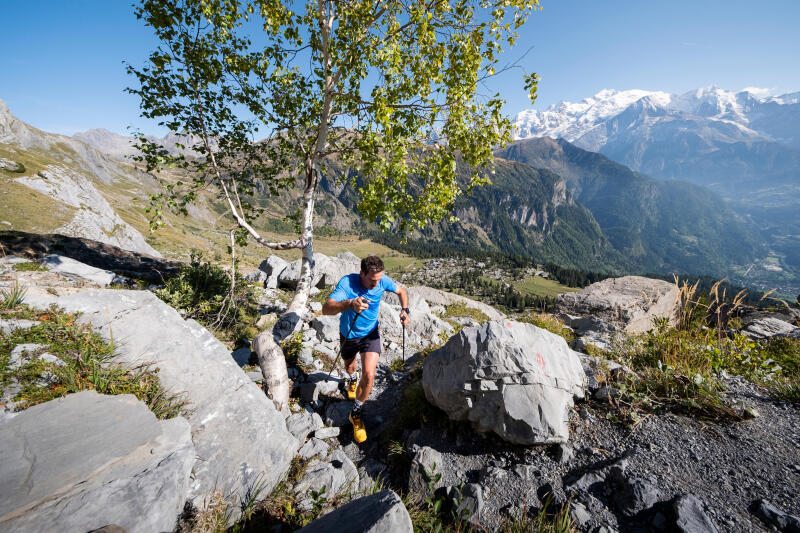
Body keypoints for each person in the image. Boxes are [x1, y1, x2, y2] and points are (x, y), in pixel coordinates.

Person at [322, 255, 410, 443]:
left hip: (371, 334)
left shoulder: (381, 281)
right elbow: (326, 308)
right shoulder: (348, 283)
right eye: (372, 280)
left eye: (379, 279)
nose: (376, 284)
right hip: (349, 335)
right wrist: (350, 303)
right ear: (362, 273)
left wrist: (405, 310)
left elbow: (401, 292)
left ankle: (356, 413)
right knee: (350, 367)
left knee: (369, 375)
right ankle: (352, 379)